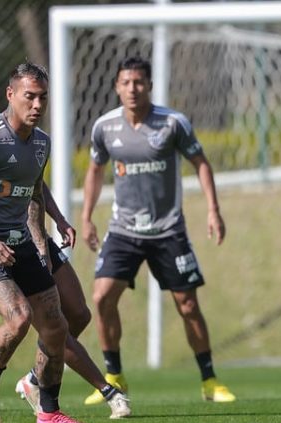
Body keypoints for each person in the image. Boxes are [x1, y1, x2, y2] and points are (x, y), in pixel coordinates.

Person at [0, 76, 131, 419]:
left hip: (23, 236)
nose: (38, 105)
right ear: (12, 96)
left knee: (65, 320)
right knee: (21, 318)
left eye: (43, 97)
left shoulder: (40, 142)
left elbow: (33, 189)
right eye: (31, 97)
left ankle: (47, 409)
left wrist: (50, 232)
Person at [81, 55, 235, 404]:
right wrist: (87, 216)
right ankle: (113, 375)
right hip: (123, 230)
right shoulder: (105, 127)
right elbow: (94, 170)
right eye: (126, 83)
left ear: (149, 85)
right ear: (117, 87)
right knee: (102, 297)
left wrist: (213, 210)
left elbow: (201, 163)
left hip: (168, 230)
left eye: (139, 82)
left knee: (188, 305)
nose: (132, 89)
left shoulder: (172, 123)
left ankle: (209, 381)